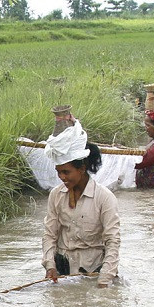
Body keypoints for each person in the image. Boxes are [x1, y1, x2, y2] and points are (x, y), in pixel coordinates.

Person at [41, 119, 121, 287]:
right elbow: (50, 235)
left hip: (94, 271)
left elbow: (112, 241)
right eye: (58, 172)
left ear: (82, 169)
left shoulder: (104, 197)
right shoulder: (56, 195)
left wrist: (104, 279)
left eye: (66, 172)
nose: (61, 177)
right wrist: (50, 265)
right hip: (63, 270)